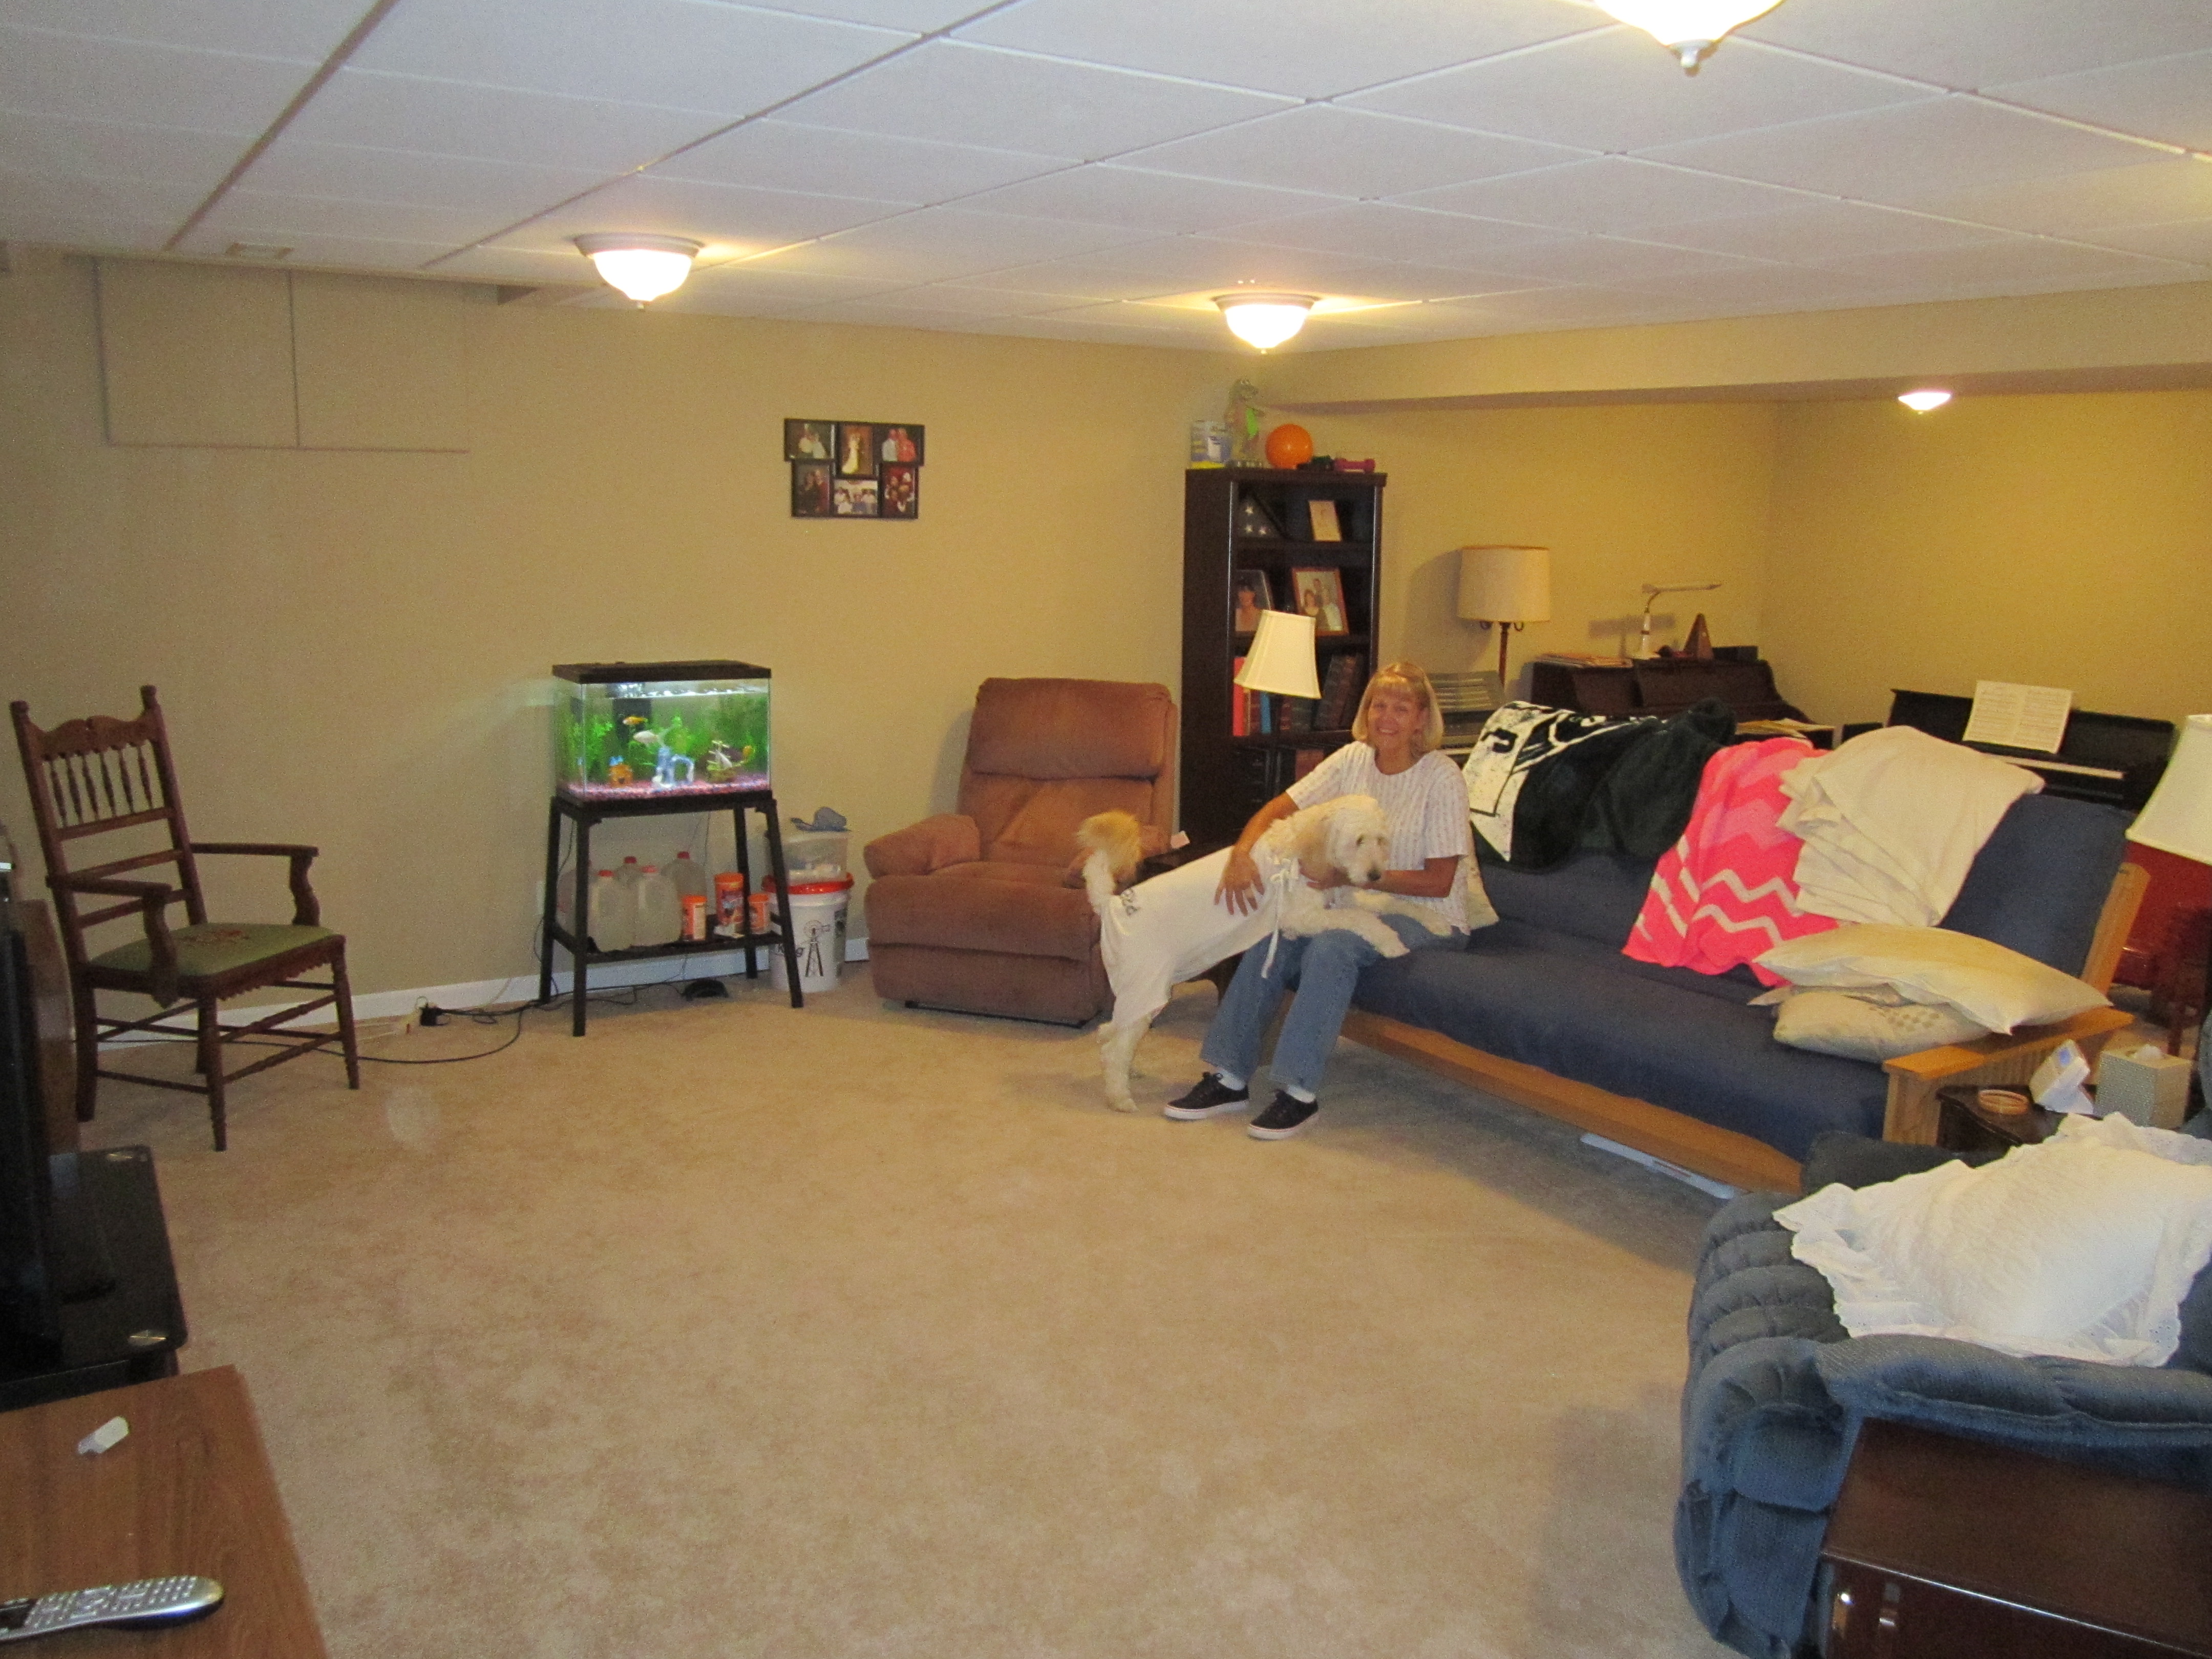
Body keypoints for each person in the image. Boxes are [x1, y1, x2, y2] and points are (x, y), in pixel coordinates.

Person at [1167, 662, 1482, 1139]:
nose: (1386, 718)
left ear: (1422, 718)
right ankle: (1229, 1077)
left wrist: (1348, 877)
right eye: (1379, 705)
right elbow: (1281, 807)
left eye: (1401, 709)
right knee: (1277, 931)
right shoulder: (1353, 759)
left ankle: (1298, 1093)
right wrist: (1241, 854)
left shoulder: (1442, 777)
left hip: (1430, 915)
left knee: (1332, 946)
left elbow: (1440, 882)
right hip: (1355, 899)